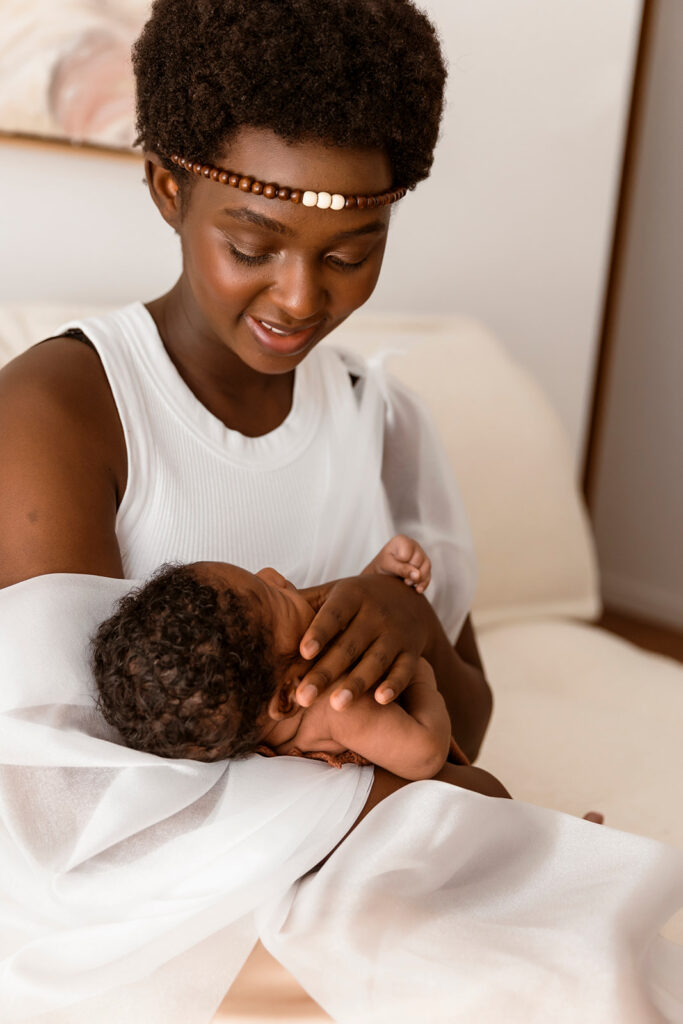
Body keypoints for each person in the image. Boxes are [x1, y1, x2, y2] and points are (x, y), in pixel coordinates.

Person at [0, 0, 494, 820]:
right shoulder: (58, 412)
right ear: (169, 188)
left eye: (349, 252)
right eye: (251, 247)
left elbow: (469, 727)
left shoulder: (381, 419)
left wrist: (412, 623)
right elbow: (59, 792)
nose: (300, 297)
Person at [91, 534, 488, 782]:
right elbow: (425, 754)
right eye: (276, 596)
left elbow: (349, 630)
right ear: (287, 696)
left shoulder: (258, 712)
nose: (273, 575)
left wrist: (376, 578)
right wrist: (419, 672)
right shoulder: (340, 709)